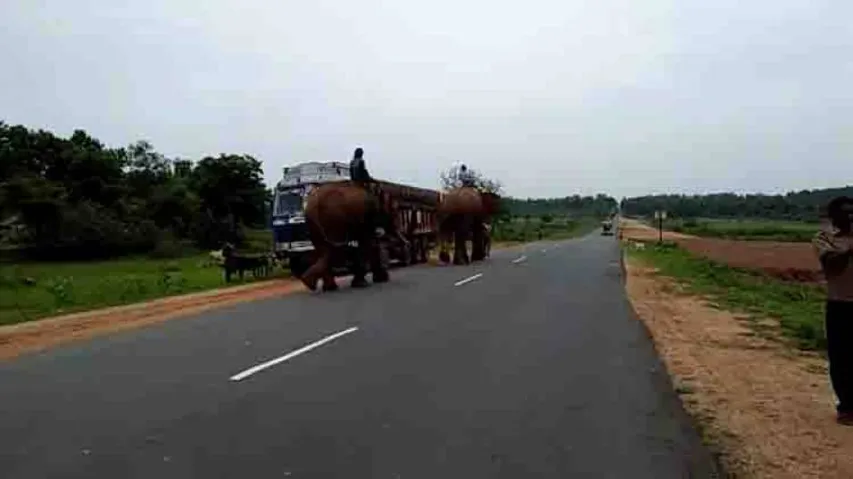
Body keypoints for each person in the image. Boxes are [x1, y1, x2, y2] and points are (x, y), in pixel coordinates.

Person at [813, 196, 853, 425]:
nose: (850, 216)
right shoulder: (824, 239)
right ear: (834, 217)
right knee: (841, 358)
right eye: (845, 212)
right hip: (839, 304)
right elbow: (832, 264)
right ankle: (846, 407)